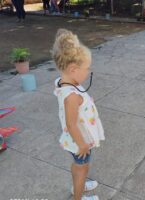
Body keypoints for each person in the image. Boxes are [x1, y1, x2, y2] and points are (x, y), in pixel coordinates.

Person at [53, 29, 105, 200]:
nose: (88, 71)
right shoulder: (72, 96)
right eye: (87, 68)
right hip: (79, 141)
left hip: (76, 140)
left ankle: (78, 186)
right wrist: (82, 145)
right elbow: (71, 124)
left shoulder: (64, 82)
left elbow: (75, 102)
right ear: (73, 69)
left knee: (79, 165)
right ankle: (78, 195)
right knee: (82, 167)